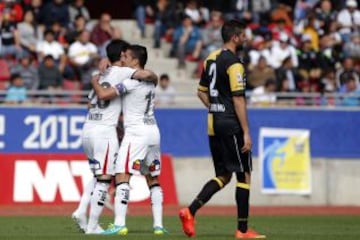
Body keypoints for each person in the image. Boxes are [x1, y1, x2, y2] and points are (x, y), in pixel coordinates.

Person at [179, 19, 266, 239]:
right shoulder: (235, 64)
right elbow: (238, 100)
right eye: (243, 35)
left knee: (223, 175)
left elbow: (200, 91)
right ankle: (242, 230)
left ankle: (190, 211)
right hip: (231, 125)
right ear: (235, 37)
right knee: (243, 175)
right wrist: (246, 131)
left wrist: (216, 108)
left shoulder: (210, 58)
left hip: (214, 124)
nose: (246, 38)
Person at [73, 39, 158, 234]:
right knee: (104, 179)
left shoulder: (102, 73)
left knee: (98, 175)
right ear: (121, 56)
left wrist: (97, 79)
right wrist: (154, 77)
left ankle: (81, 211)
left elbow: (89, 103)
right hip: (105, 131)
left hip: (88, 128)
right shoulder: (123, 72)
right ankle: (93, 226)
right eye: (125, 54)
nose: (127, 57)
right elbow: (146, 74)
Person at [92, 45, 166, 235]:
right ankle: (158, 226)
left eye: (126, 56)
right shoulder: (151, 81)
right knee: (153, 179)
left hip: (136, 134)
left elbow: (104, 95)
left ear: (135, 61)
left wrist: (94, 80)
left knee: (122, 175)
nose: (122, 59)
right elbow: (152, 76)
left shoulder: (131, 81)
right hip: (153, 132)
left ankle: (119, 224)